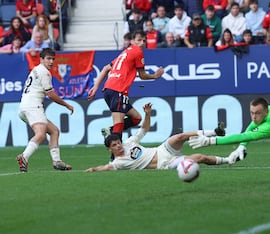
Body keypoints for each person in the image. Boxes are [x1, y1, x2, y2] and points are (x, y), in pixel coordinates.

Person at [84, 103, 235, 172]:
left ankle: (214, 132)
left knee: (179, 136)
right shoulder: (119, 162)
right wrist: (92, 169)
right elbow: (106, 168)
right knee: (200, 158)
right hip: (165, 163)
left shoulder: (129, 142)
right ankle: (229, 160)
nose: (119, 145)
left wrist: (147, 115)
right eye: (115, 145)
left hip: (161, 150)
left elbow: (144, 129)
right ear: (109, 149)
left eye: (118, 142)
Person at [87, 30, 164, 158]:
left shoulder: (125, 52)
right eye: (139, 40)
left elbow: (106, 68)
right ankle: (115, 158)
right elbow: (143, 75)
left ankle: (110, 131)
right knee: (119, 123)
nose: (142, 43)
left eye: (144, 40)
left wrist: (95, 87)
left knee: (136, 118)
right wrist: (155, 75)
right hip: (118, 90)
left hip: (108, 90)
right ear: (132, 41)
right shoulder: (138, 52)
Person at [17, 48, 74, 173]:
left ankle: (57, 161)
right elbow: (51, 94)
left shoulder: (36, 70)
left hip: (24, 107)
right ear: (41, 59)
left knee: (54, 131)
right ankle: (24, 157)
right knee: (41, 134)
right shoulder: (44, 72)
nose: (51, 61)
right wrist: (66, 105)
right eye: (48, 58)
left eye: (53, 59)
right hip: (33, 106)